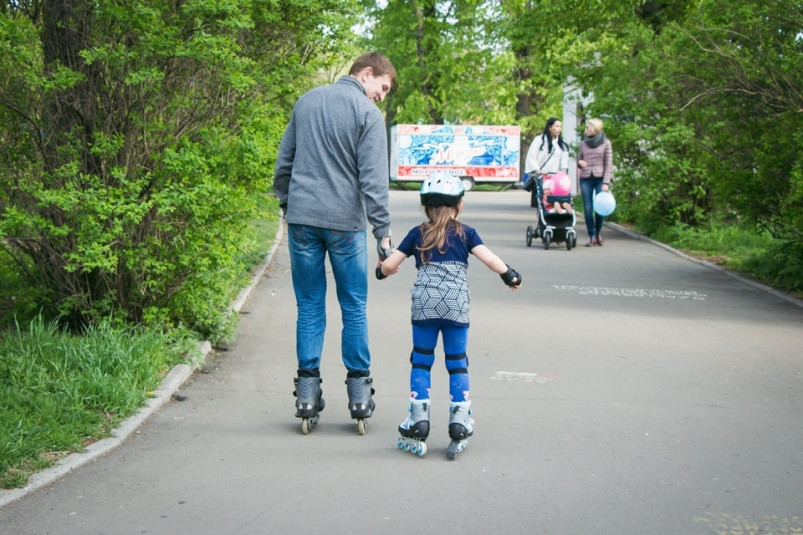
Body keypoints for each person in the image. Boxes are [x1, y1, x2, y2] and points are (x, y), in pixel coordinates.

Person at [273, 52, 397, 434]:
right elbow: (373, 179)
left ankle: (307, 395)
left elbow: (284, 164)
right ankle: (359, 394)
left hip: (303, 221)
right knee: (354, 306)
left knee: (309, 306)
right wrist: (383, 233)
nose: (382, 96)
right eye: (383, 87)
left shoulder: (308, 100)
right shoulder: (367, 116)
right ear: (367, 73)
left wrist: (287, 203)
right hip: (345, 225)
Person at [375, 172, 522, 459]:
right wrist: (509, 275)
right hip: (456, 304)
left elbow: (391, 265)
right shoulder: (467, 233)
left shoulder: (418, 233)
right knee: (457, 362)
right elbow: (491, 259)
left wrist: (382, 270)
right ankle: (459, 420)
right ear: (459, 206)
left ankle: (419, 419)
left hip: (425, 304)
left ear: (425, 207)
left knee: (421, 359)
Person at [576, 118, 613, 246]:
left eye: (588, 127)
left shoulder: (606, 143)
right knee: (587, 208)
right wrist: (580, 163)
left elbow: (608, 164)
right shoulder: (583, 144)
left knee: (599, 208)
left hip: (600, 178)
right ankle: (591, 235)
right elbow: (579, 158)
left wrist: (606, 183)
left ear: (595, 129)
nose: (586, 130)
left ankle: (598, 233)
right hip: (586, 178)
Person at [524, 117, 570, 207]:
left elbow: (564, 159)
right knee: (541, 202)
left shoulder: (561, 142)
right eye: (556, 126)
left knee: (557, 199)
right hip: (542, 176)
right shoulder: (539, 140)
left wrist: (563, 172)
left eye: (560, 127)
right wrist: (537, 170)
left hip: (556, 177)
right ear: (549, 127)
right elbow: (531, 157)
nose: (559, 129)